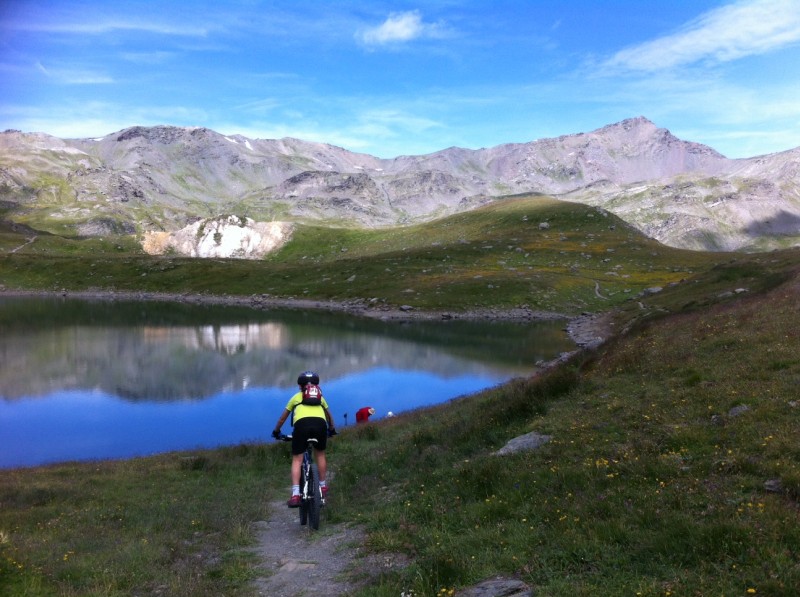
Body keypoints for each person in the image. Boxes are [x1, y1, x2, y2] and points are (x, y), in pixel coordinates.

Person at [272, 371, 336, 507]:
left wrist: (276, 431)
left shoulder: (296, 397)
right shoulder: (321, 399)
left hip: (301, 427)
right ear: (316, 386)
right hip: (320, 426)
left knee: (297, 458)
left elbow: (282, 418)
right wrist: (331, 429)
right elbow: (329, 416)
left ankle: (295, 495)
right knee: (320, 454)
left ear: (300, 386)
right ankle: (323, 486)